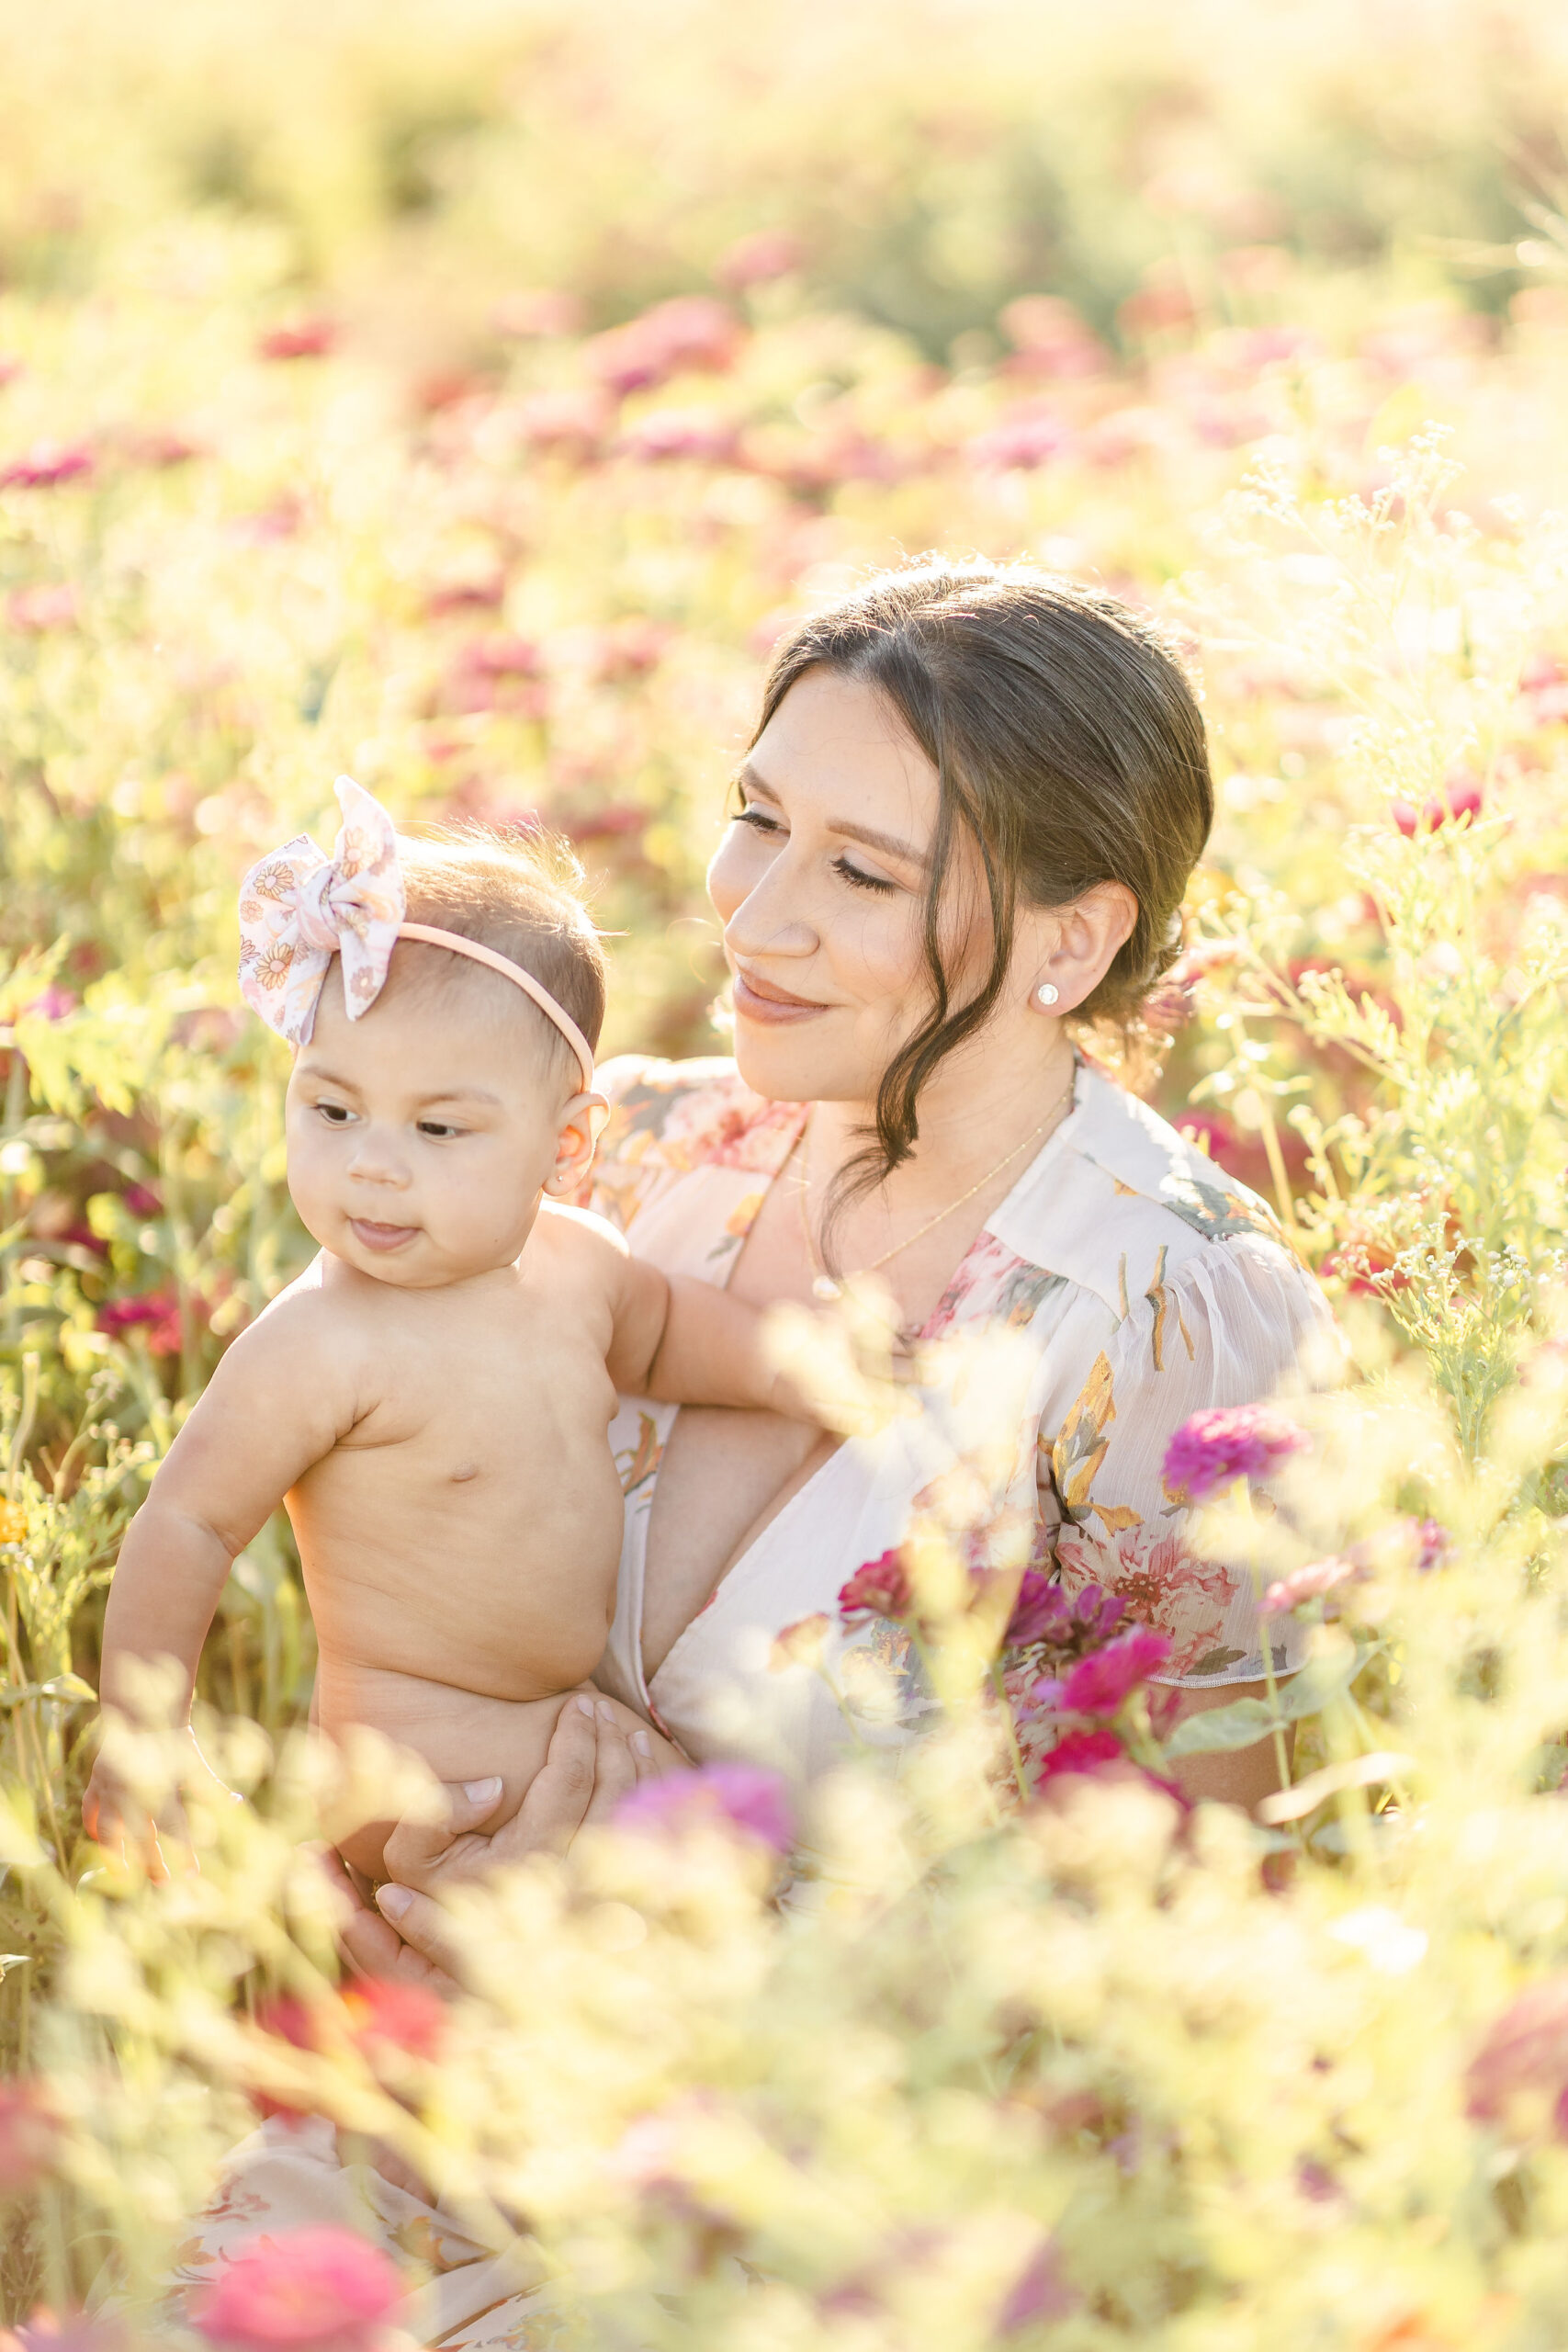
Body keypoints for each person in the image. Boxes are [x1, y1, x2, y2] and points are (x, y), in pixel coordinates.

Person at [166, 560, 1339, 2331]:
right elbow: (359, 1539)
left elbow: (1208, 1926)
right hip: (426, 2097)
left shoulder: (1173, 1309)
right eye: (755, 820)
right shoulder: (615, 1150)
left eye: (859, 873)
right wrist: (376, 1854)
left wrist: (686, 1870)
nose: (751, 914)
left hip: (835, 2202)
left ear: (1070, 942)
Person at [85, 780, 818, 1880]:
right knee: (700, 1871)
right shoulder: (323, 1342)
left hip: (553, 1712)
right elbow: (186, 1522)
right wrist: (144, 1735)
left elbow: (666, 1337)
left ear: (565, 1146)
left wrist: (802, 1368)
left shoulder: (580, 1263)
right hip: (424, 1755)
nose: (374, 1161)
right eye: (332, 1108)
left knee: (729, 1857)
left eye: (437, 1126)